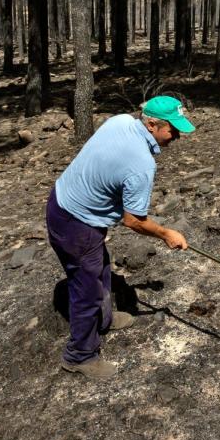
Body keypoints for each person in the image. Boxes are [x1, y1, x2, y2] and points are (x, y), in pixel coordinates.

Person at [46, 95, 195, 379]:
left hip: (62, 201)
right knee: (86, 290)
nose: (176, 136)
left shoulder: (121, 121)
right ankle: (79, 355)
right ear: (152, 124)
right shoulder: (141, 164)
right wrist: (166, 234)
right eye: (172, 130)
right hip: (75, 223)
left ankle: (104, 319)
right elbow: (133, 221)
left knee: (101, 266)